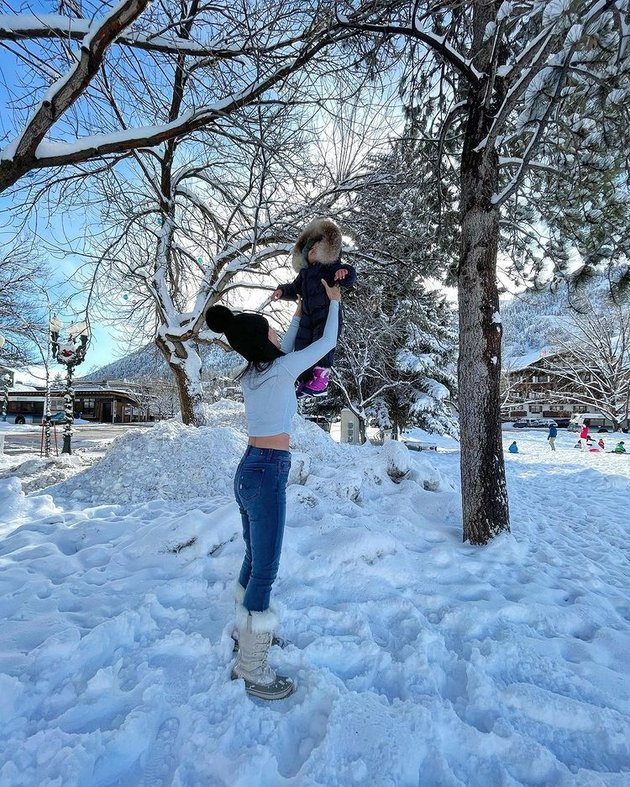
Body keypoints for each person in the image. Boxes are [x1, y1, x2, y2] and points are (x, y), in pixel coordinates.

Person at [205, 279, 341, 701]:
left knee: (252, 558)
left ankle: (247, 637)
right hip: (266, 473)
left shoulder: (253, 375)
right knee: (265, 568)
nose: (275, 334)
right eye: (270, 330)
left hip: (248, 469)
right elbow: (327, 341)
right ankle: (251, 666)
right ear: (262, 340)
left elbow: (284, 344)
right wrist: (332, 303)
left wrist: (300, 310)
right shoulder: (281, 370)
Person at [272, 218, 356, 397]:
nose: (314, 251)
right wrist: (282, 291)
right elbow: (293, 288)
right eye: (310, 250)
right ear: (304, 255)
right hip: (307, 317)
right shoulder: (303, 274)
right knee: (302, 346)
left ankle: (321, 379)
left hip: (326, 315)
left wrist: (344, 273)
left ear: (328, 250)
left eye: (319, 248)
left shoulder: (330, 267)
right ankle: (303, 379)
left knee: (321, 344)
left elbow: (348, 275)